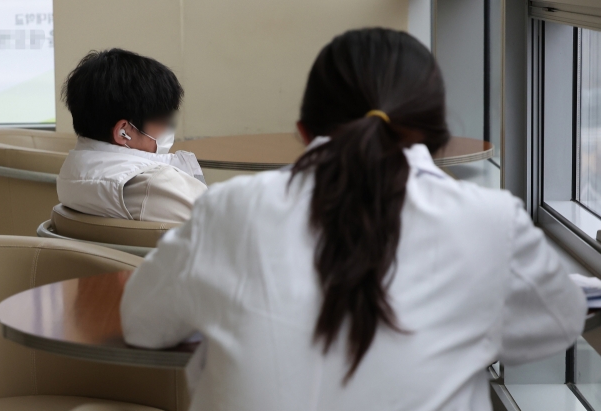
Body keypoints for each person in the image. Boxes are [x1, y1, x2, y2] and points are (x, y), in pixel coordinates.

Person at [120, 29, 587, 411]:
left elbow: (141, 323)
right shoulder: (489, 222)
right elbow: (560, 320)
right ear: (439, 137)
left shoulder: (229, 208)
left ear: (303, 131)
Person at [57, 49, 207, 223]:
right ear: (124, 132)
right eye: (163, 120)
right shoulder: (155, 184)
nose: (168, 128)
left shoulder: (70, 173)